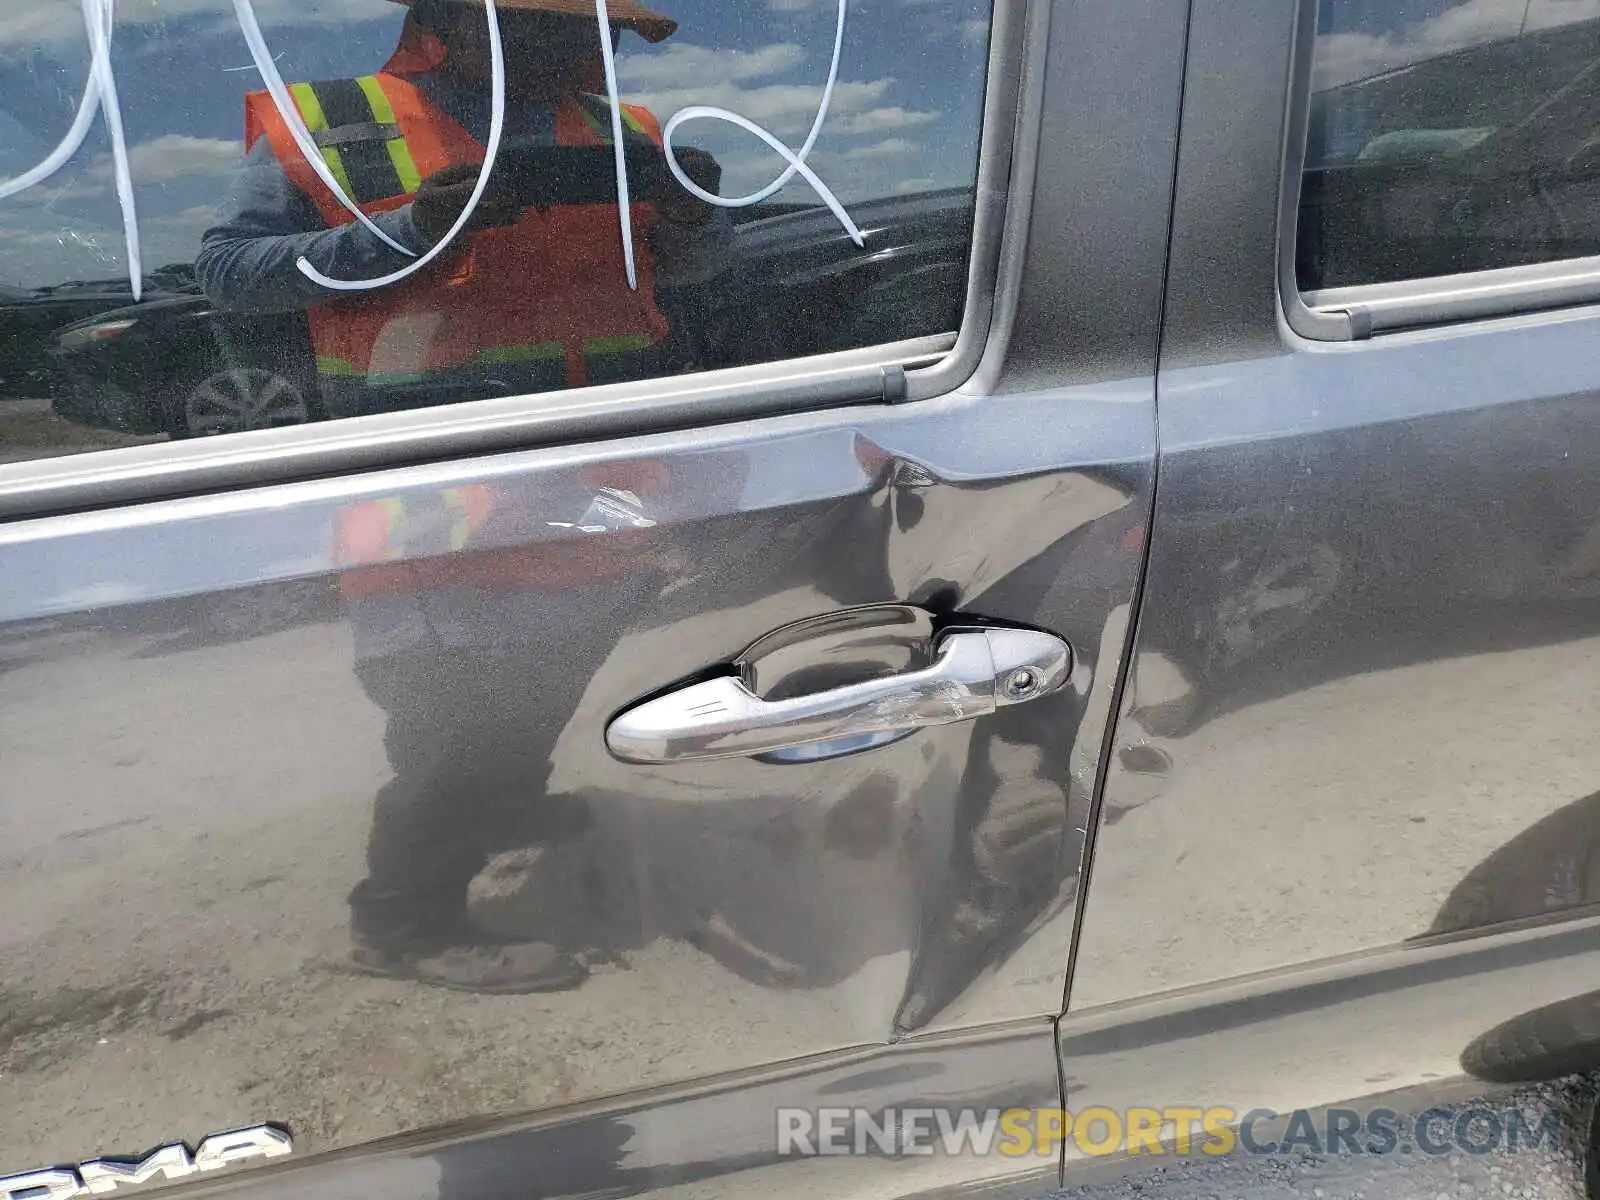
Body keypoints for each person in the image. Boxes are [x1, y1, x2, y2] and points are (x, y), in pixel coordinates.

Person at [196, 0, 727, 419]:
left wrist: (693, 216)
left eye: (595, 24)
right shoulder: (326, 122)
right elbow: (228, 275)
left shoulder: (627, 129)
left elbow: (694, 268)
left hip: (626, 445)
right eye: (537, 21)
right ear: (445, 16)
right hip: (424, 464)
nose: (578, 43)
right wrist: (412, 232)